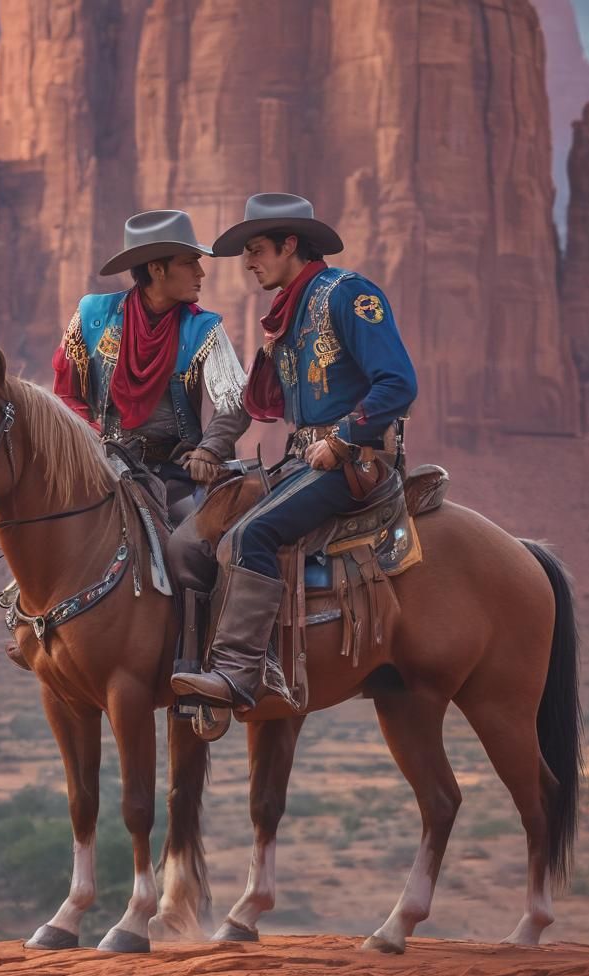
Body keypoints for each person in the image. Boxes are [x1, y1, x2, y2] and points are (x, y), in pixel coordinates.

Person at [171, 193, 418, 708]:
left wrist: (344, 438)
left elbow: (397, 383)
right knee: (196, 533)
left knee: (249, 534)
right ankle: (187, 665)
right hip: (300, 461)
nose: (248, 262)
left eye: (257, 249)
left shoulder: (348, 294)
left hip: (354, 462)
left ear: (290, 244)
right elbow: (244, 404)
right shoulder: (286, 315)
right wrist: (213, 448)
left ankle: (240, 674)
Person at [53, 209, 249, 516]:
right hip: (104, 468)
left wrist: (208, 450)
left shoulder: (203, 327)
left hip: (179, 474)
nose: (201, 272)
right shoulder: (93, 316)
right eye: (189, 262)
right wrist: (93, 441)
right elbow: (67, 395)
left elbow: (234, 399)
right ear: (157, 269)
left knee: (192, 550)